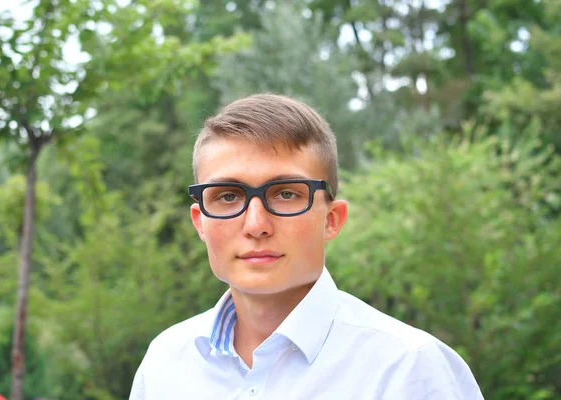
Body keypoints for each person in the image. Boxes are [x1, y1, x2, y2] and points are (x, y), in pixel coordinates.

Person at [129, 94, 484, 399]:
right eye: (227, 196)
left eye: (285, 194)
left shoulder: (407, 369)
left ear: (331, 219)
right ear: (200, 222)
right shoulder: (164, 365)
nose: (256, 225)